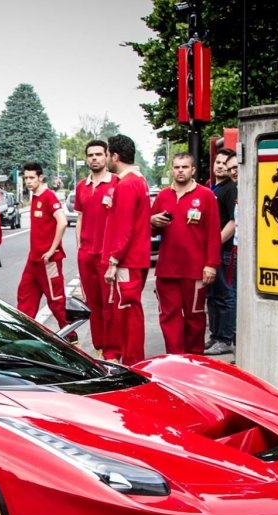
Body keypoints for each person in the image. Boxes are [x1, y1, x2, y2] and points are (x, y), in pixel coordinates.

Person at [150, 153, 221, 355]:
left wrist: (211, 265)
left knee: (195, 318)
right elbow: (150, 230)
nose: (180, 170)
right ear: (172, 170)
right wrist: (152, 221)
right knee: (168, 317)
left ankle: (194, 361)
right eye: (177, 167)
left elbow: (213, 233)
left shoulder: (206, 195)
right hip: (167, 270)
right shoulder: (163, 195)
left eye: (185, 167)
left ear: (193, 170)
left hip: (196, 270)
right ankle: (175, 358)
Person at [100, 134, 152, 365]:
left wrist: (113, 260)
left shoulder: (127, 184)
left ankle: (132, 362)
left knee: (128, 312)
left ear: (115, 156)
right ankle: (132, 359)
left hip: (127, 261)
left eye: (108, 153)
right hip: (135, 258)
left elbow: (124, 228)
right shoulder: (138, 180)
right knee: (130, 310)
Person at [73, 139, 116, 356]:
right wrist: (80, 248)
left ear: (107, 156)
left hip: (107, 256)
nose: (94, 158)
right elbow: (80, 218)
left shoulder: (116, 183)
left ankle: (112, 351)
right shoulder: (81, 186)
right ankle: (99, 349)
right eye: (91, 155)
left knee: (110, 307)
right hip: (87, 255)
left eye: (99, 154)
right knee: (93, 306)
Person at [17, 161, 68, 328]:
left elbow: (62, 221)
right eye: (26, 178)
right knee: (25, 296)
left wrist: (52, 250)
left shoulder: (48, 196)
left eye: (32, 178)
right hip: (33, 260)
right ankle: (24, 332)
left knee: (56, 300)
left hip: (48, 260)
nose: (28, 181)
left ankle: (69, 334)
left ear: (40, 177)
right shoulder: (35, 196)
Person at [206, 147, 238, 355]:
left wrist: (214, 244)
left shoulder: (229, 189)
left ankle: (225, 338)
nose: (221, 166)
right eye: (218, 162)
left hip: (224, 251)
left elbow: (233, 222)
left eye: (225, 164)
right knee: (213, 295)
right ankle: (216, 335)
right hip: (213, 251)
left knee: (225, 295)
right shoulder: (213, 188)